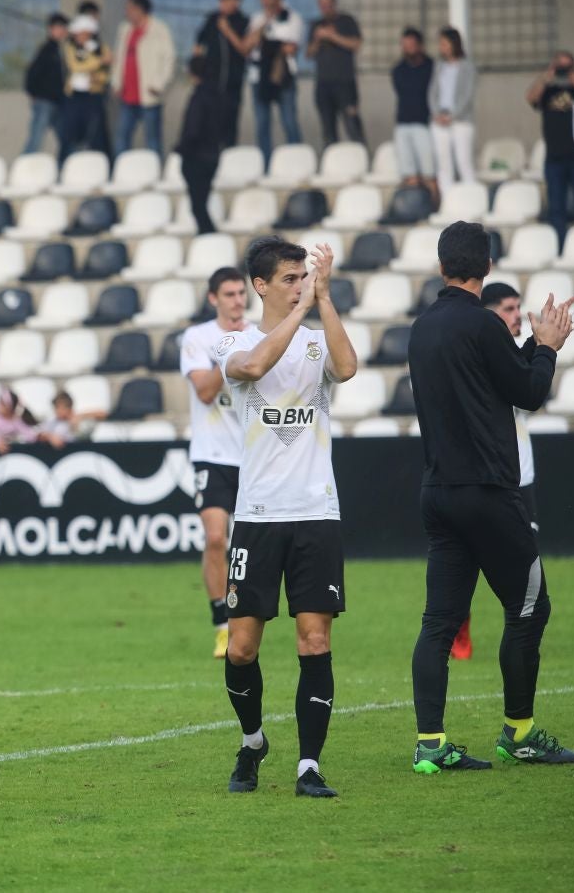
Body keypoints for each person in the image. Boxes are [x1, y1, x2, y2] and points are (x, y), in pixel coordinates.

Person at [407, 221, 574, 773]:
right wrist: (548, 348)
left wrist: (531, 344)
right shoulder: (483, 325)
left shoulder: (421, 329)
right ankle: (520, 732)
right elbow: (527, 391)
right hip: (489, 492)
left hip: (439, 491)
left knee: (439, 623)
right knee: (530, 608)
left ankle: (430, 744)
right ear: (486, 270)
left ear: (441, 267)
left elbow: (487, 379)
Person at [218, 237, 357, 798]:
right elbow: (253, 366)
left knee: (314, 639)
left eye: (305, 276)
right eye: (290, 279)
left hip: (316, 511)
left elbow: (347, 368)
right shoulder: (235, 340)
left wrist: (322, 303)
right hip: (257, 514)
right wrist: (302, 313)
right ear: (260, 286)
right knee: (242, 647)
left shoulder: (319, 341)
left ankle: (308, 766)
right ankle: (253, 742)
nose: (300, 284)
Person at [450, 282, 541, 661]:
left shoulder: (513, 353)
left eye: (519, 307)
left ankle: (520, 638)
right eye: (508, 308)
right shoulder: (481, 358)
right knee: (468, 566)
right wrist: (544, 346)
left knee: (527, 570)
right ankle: (461, 629)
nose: (517, 314)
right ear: (489, 314)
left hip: (524, 479)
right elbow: (525, 389)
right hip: (489, 479)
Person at [180, 266, 253, 660]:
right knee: (213, 538)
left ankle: (247, 623)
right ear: (214, 299)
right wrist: (232, 350)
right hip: (212, 454)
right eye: (229, 294)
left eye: (241, 293)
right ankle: (222, 625)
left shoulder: (258, 336)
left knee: (249, 547)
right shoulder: (197, 338)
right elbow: (206, 391)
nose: (237, 300)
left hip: (254, 456)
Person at [527, 51, 574, 250]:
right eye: (559, 66)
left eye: (566, 67)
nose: (563, 71)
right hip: (555, 158)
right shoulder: (547, 90)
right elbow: (531, 98)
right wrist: (546, 77)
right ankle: (559, 249)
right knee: (556, 210)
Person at [111, 0, 175, 158]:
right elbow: (119, 58)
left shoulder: (159, 29)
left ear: (140, 10)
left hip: (149, 93)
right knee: (122, 137)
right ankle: (120, 172)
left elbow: (169, 59)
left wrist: (159, 85)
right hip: (127, 95)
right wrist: (116, 83)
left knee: (152, 139)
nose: (127, 12)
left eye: (130, 9)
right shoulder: (124, 29)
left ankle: (155, 174)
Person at [243, 0, 303, 166]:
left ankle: (296, 162)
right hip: (259, 78)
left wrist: (270, 45)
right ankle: (266, 166)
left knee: (289, 121)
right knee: (262, 125)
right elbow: (247, 46)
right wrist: (265, 23)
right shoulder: (257, 18)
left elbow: (291, 48)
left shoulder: (293, 18)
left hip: (283, 77)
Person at [306, 0, 364, 147]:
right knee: (328, 131)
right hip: (324, 84)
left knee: (352, 126)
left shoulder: (347, 21)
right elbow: (308, 54)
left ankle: (361, 156)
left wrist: (333, 36)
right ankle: (331, 163)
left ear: (334, 3)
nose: (325, 8)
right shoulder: (315, 24)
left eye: (328, 4)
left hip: (345, 83)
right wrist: (318, 39)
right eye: (322, 5)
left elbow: (356, 44)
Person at [178, 55, 227, 235]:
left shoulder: (199, 97)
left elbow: (193, 129)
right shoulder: (219, 95)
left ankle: (209, 237)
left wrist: (182, 148)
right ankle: (209, 237)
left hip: (196, 157)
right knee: (201, 205)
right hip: (212, 155)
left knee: (198, 207)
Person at [194, 0, 251, 147]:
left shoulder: (243, 21)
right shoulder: (213, 19)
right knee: (209, 123)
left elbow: (244, 48)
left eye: (229, 0)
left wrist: (228, 31)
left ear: (237, 1)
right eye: (222, 0)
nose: (225, 4)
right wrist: (196, 70)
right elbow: (199, 44)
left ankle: (229, 155)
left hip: (232, 83)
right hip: (211, 82)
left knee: (230, 124)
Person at [392, 28, 437, 203]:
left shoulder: (431, 67)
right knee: (409, 174)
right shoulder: (398, 70)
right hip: (403, 123)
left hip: (424, 123)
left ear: (420, 45)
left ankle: (436, 206)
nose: (408, 49)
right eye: (405, 45)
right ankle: (415, 207)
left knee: (429, 173)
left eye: (411, 45)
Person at [429, 27, 476, 192]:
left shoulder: (467, 66)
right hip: (440, 119)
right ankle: (448, 201)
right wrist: (436, 114)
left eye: (444, 43)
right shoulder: (439, 66)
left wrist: (453, 115)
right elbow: (433, 91)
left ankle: (472, 198)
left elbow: (467, 95)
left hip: (460, 120)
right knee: (443, 165)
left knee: (463, 161)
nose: (441, 47)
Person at [59, 15, 112, 164]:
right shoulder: (71, 48)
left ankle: (102, 165)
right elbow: (76, 67)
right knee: (69, 134)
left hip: (93, 96)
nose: (78, 37)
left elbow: (105, 75)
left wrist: (97, 75)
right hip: (74, 96)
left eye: (81, 33)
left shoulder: (101, 48)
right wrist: (99, 61)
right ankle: (65, 166)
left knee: (97, 133)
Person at [22, 13, 68, 155]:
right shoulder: (47, 50)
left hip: (58, 102)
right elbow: (31, 74)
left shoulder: (59, 50)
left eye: (63, 27)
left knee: (67, 138)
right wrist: (33, 93)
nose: (61, 31)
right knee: (35, 140)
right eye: (58, 27)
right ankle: (23, 171)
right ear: (50, 29)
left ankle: (67, 169)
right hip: (44, 102)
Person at [0, 387, 40, 453]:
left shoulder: (15, 420)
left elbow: (30, 435)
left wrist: (39, 436)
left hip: (6, 454)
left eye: (3, 403)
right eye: (0, 400)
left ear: (10, 408)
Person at [36, 391, 105, 447]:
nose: (57, 411)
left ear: (69, 408)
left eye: (60, 407)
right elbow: (38, 435)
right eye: (56, 407)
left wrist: (80, 416)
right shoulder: (52, 422)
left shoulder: (81, 421)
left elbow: (102, 414)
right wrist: (50, 437)